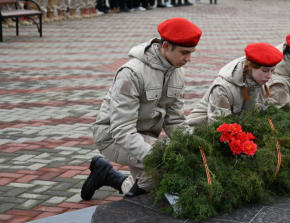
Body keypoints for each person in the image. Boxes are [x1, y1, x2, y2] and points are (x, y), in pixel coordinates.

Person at [81, 18, 202, 200]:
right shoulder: (131, 73)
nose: (189, 59)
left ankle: (105, 174)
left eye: (191, 53)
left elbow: (175, 121)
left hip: (143, 136)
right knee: (165, 166)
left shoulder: (177, 72)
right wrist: (156, 157)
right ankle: (128, 214)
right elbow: (121, 130)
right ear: (166, 46)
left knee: (165, 170)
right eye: (185, 53)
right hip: (113, 137)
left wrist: (193, 146)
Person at [186, 43, 283, 126]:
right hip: (201, 132)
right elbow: (218, 125)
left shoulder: (257, 81)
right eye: (265, 71)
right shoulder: (223, 87)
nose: (269, 76)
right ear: (250, 67)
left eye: (272, 71)